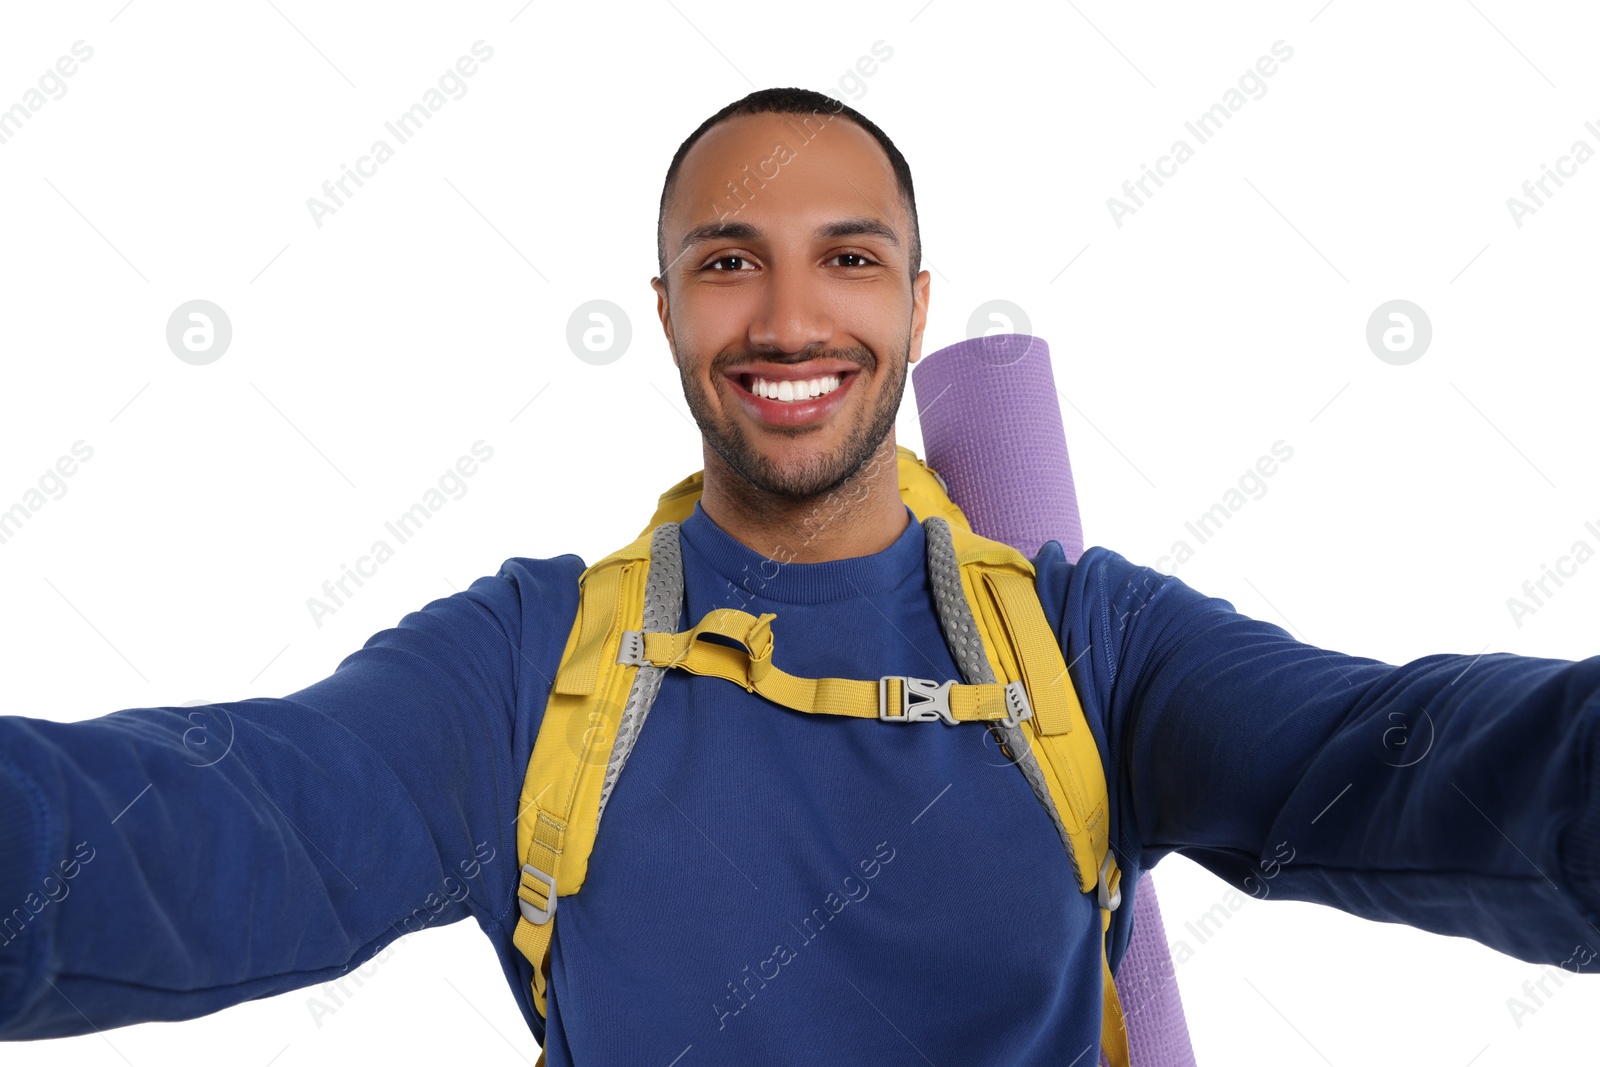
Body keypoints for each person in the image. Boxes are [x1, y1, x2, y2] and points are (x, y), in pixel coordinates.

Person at [3, 86, 1598, 1066]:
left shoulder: (1089, 647)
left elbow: (1419, 767)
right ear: (665, 307)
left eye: (847, 259)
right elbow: (213, 832)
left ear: (914, 303)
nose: (786, 320)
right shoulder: (526, 671)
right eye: (726, 263)